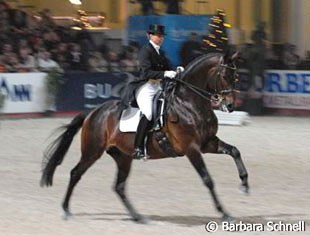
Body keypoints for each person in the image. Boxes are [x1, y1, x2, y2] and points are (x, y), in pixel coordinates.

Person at [127, 24, 183, 159]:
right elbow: (146, 72)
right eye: (158, 35)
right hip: (146, 87)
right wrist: (165, 73)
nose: (160, 38)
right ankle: (138, 148)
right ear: (149, 36)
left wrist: (177, 70)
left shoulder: (161, 53)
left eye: (162, 36)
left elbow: (168, 68)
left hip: (158, 87)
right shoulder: (145, 51)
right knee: (149, 113)